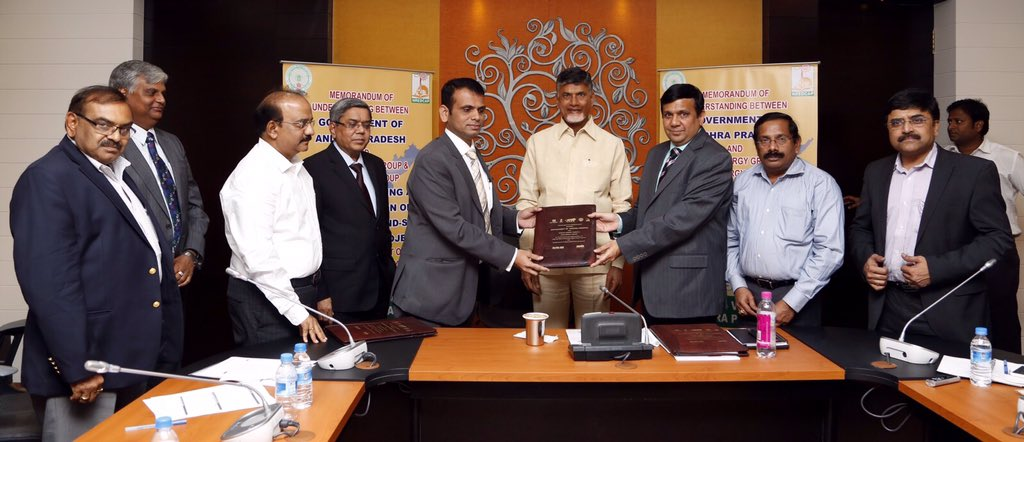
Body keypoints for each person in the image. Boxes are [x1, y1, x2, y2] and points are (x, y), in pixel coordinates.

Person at [10, 86, 183, 441]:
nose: (115, 137)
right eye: (103, 125)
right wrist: (80, 367)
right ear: (72, 123)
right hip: (91, 368)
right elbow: (51, 284)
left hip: (135, 360)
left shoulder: (120, 173)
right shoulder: (48, 178)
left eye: (123, 129)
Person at [850, 88, 1011, 344]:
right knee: (887, 382)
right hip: (886, 307)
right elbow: (861, 228)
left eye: (917, 120)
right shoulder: (876, 172)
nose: (906, 129)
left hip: (947, 307)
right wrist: (865, 260)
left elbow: (997, 240)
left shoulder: (973, 172)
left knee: (947, 384)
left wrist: (936, 268)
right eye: (897, 122)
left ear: (935, 126)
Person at [391, 78, 548, 327]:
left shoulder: (472, 153)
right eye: (467, 109)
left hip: (464, 290)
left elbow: (479, 211)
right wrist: (512, 255)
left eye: (481, 110)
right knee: (431, 365)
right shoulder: (433, 159)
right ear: (445, 113)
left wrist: (516, 219)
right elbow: (454, 226)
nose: (477, 116)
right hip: (431, 294)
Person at [590, 83, 733, 324]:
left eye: (683, 114)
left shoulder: (715, 158)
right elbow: (647, 210)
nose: (674, 122)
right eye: (668, 115)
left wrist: (623, 246)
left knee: (690, 361)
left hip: (690, 292)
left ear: (701, 116)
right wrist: (620, 221)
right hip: (651, 288)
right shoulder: (657, 154)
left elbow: (681, 220)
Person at [516, 67, 632, 328]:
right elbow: (526, 202)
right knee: (548, 339)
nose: (574, 103)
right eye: (566, 95)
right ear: (557, 99)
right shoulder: (538, 142)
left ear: (592, 98)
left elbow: (622, 206)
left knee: (593, 339)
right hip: (546, 263)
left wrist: (618, 263)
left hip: (596, 262)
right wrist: (526, 258)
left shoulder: (612, 145)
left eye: (581, 95)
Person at [221, 90, 327, 345]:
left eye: (311, 122)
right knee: (273, 378)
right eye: (302, 124)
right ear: (272, 128)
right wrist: (296, 311)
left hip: (299, 292)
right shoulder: (254, 176)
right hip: (267, 298)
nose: (311, 131)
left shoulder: (298, 169)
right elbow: (259, 257)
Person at [726, 112, 844, 327]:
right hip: (750, 299)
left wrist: (792, 302)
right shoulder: (743, 182)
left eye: (781, 139)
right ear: (756, 145)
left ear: (796, 144)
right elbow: (731, 239)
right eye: (764, 140)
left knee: (798, 361)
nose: (772, 147)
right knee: (750, 359)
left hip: (799, 297)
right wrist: (737, 285)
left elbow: (830, 251)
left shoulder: (821, 184)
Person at [109, 60, 209, 288]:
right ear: (122, 94)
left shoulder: (172, 143)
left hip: (177, 279)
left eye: (163, 93)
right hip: (132, 278)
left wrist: (191, 253)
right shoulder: (111, 147)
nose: (161, 100)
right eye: (151, 92)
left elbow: (194, 206)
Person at [305, 98, 395, 323]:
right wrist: (321, 292)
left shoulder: (376, 165)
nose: (361, 131)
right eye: (353, 124)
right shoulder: (314, 168)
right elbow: (311, 236)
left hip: (380, 289)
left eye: (366, 125)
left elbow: (380, 226)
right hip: (339, 294)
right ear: (333, 128)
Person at [946, 98, 1024, 353]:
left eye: (958, 121)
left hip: (997, 251)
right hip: (957, 249)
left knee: (1001, 315)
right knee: (960, 314)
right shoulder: (943, 157)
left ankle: (1010, 373)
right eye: (949, 121)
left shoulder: (1006, 157)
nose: (951, 127)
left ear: (978, 125)